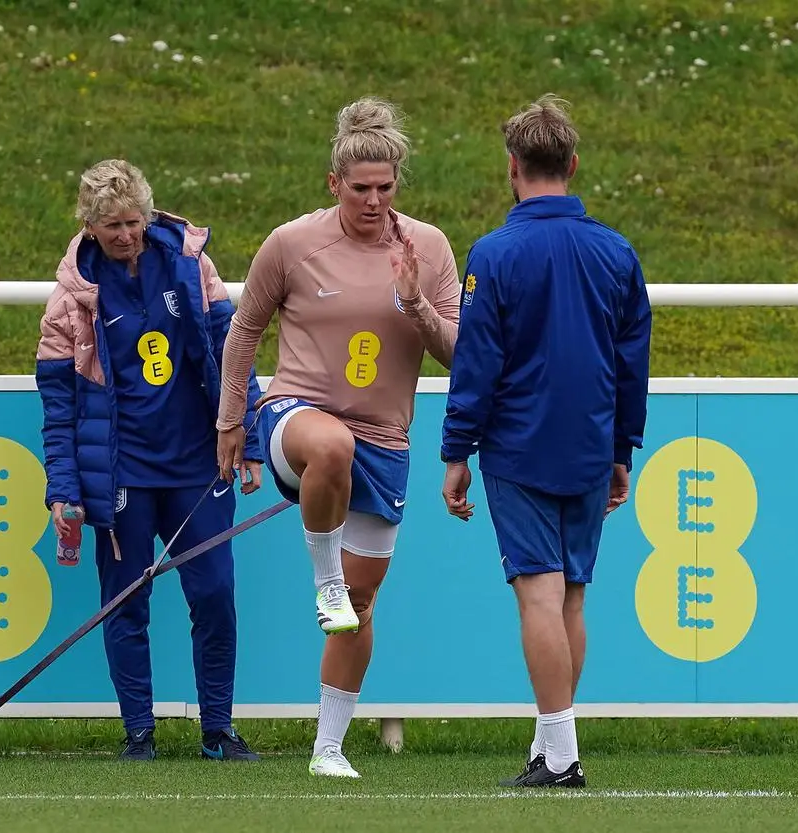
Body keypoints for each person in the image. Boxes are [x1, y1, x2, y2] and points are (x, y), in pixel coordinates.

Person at [214, 98, 462, 778]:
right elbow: (244, 330)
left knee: (361, 605)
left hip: (385, 438)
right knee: (331, 448)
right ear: (334, 184)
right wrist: (231, 418)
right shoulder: (293, 243)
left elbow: (461, 352)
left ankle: (328, 747)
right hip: (299, 417)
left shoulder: (429, 248)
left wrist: (416, 302)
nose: (375, 201)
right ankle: (322, 577)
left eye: (386, 188)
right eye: (361, 189)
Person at [439, 95, 653, 789]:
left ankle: (561, 756)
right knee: (571, 600)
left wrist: (455, 451)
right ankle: (549, 744)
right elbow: (632, 360)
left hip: (520, 446)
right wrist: (624, 446)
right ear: (573, 163)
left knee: (538, 595)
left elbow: (477, 362)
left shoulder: (495, 254)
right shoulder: (616, 251)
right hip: (590, 443)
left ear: (513, 167)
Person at [35, 158, 267, 763]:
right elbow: (59, 409)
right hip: (122, 475)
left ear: (149, 214)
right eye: (110, 226)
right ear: (89, 226)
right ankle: (139, 733)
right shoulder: (70, 302)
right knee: (125, 603)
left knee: (215, 597)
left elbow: (231, 349)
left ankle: (218, 730)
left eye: (133, 222)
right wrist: (63, 487)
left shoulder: (191, 265)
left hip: (198, 465)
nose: (125, 236)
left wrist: (250, 436)